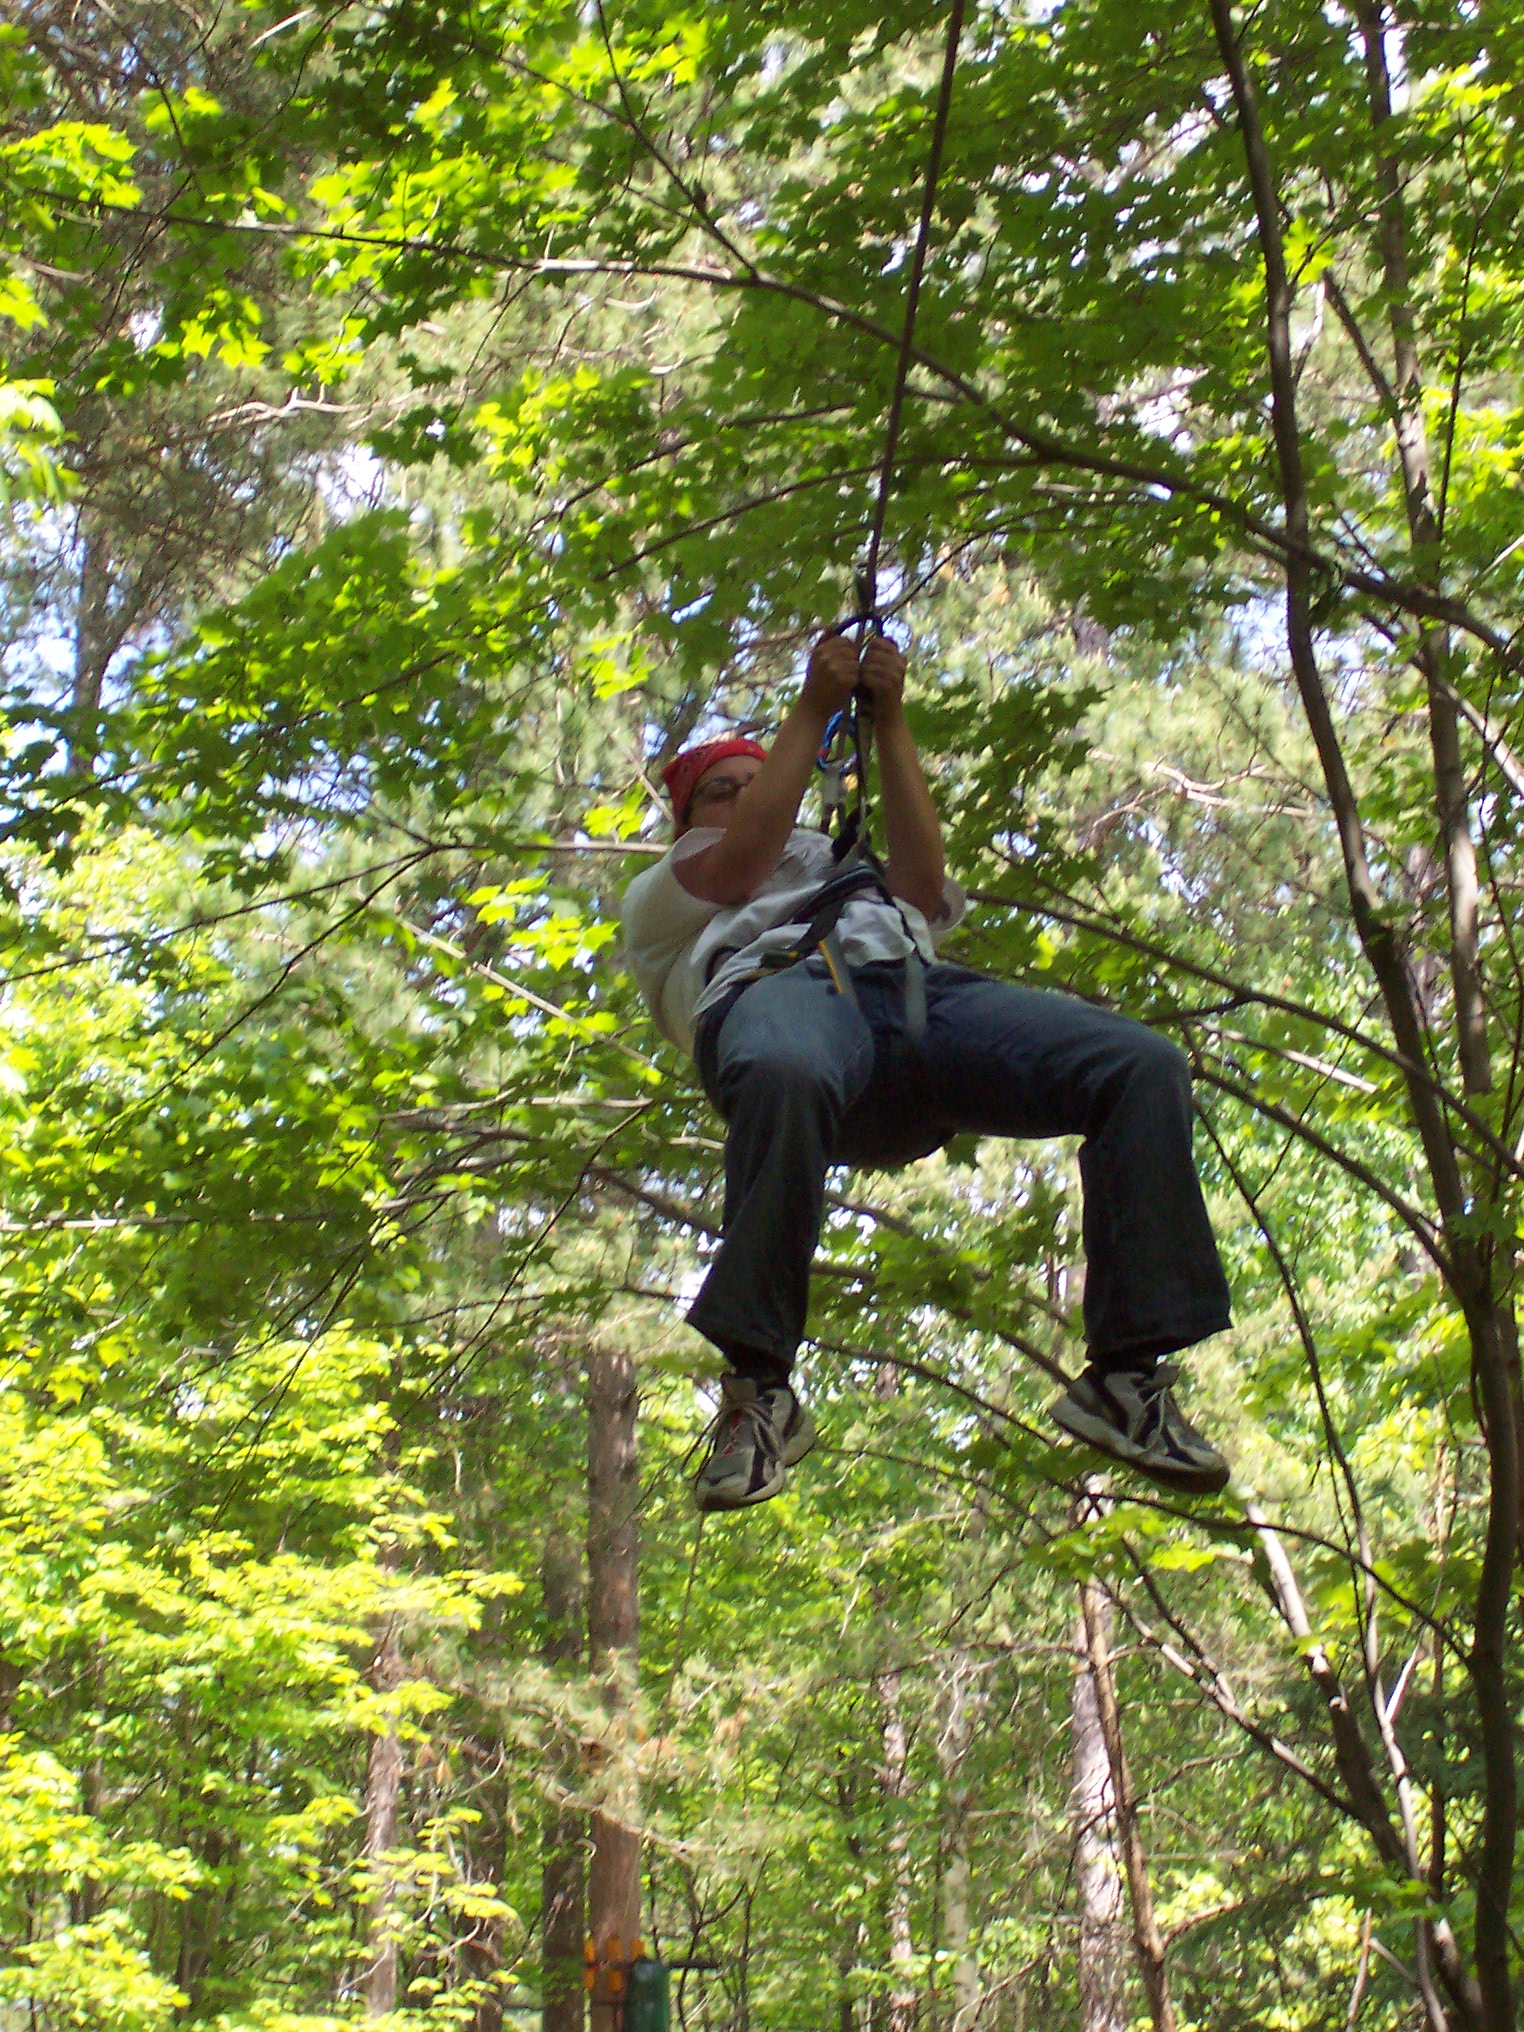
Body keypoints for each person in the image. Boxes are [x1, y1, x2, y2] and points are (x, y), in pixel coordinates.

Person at [622, 628, 1232, 1512]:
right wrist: (811, 710)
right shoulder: (669, 892)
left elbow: (921, 878)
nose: (752, 795)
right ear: (687, 822)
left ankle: (1126, 1377)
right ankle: (758, 1392)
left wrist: (891, 722)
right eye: (724, 789)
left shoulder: (841, 861)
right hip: (782, 997)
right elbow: (743, 858)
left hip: (914, 999)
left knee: (1140, 1064)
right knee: (786, 1068)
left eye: (763, 782)